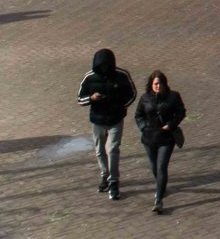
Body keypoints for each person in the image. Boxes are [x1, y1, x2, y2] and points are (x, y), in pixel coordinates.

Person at [77, 48, 136, 200]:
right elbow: (80, 98)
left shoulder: (122, 75)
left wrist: (121, 106)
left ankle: (114, 182)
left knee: (113, 149)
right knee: (99, 150)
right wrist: (92, 98)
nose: (104, 68)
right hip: (98, 120)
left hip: (116, 119)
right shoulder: (89, 77)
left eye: (107, 65)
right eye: (101, 66)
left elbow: (132, 94)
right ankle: (105, 175)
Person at [134, 70, 186, 215]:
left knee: (161, 166)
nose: (158, 86)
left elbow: (181, 112)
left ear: (165, 84)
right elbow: (138, 115)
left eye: (160, 83)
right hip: (149, 138)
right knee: (154, 167)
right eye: (155, 84)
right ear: (151, 85)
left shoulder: (173, 96)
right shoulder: (145, 98)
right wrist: (143, 127)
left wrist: (171, 124)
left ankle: (159, 199)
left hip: (166, 139)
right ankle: (161, 186)